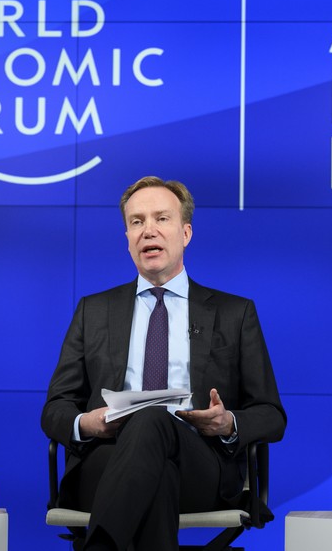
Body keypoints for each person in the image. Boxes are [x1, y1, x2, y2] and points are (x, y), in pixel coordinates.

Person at [41, 176, 286, 551]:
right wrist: (86, 423)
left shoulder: (234, 313)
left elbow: (271, 414)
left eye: (161, 219)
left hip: (199, 463)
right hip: (105, 462)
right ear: (126, 237)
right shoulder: (94, 311)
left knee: (154, 420)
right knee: (156, 474)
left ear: (185, 233)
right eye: (136, 222)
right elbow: (55, 409)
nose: (147, 230)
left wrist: (228, 422)